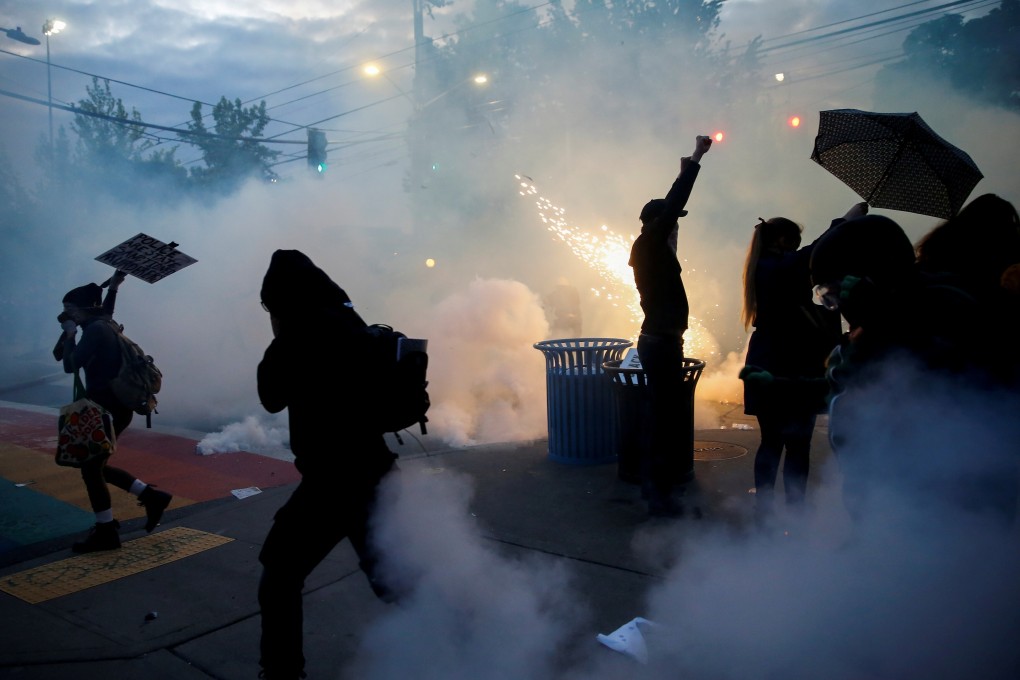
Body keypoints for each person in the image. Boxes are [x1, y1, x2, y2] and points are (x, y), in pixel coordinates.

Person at [810, 214, 1018, 526]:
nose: (836, 306)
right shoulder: (898, 313)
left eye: (835, 292)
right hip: (906, 517)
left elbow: (904, 409)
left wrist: (877, 326)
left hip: (949, 520)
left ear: (870, 277)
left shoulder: (943, 307)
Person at [256, 250, 400, 680]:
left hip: (333, 481)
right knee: (395, 580)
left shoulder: (298, 331)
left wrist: (279, 331)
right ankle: (460, 644)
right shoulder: (349, 322)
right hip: (374, 470)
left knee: (279, 575)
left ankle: (281, 672)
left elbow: (270, 395)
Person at [738, 204, 864, 520]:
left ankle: (765, 511)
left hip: (769, 357)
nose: (796, 248)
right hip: (793, 361)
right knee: (797, 443)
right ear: (782, 240)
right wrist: (844, 220)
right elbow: (813, 252)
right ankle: (795, 509)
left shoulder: (764, 267)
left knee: (771, 442)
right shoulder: (779, 267)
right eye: (793, 241)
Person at [628, 134, 712, 516]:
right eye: (671, 222)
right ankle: (659, 496)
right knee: (663, 422)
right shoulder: (649, 244)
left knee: (662, 419)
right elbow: (675, 202)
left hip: (661, 342)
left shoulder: (652, 250)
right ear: (655, 223)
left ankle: (657, 489)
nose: (677, 227)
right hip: (660, 343)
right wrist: (694, 159)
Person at [59, 275, 173, 553]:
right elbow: (106, 310)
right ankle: (150, 497)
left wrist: (71, 335)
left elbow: (70, 364)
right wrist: (113, 287)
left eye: (70, 309)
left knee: (91, 469)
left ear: (82, 309)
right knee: (95, 467)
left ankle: (107, 531)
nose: (66, 314)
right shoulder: (103, 323)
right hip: (112, 409)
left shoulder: (95, 330)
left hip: (106, 411)